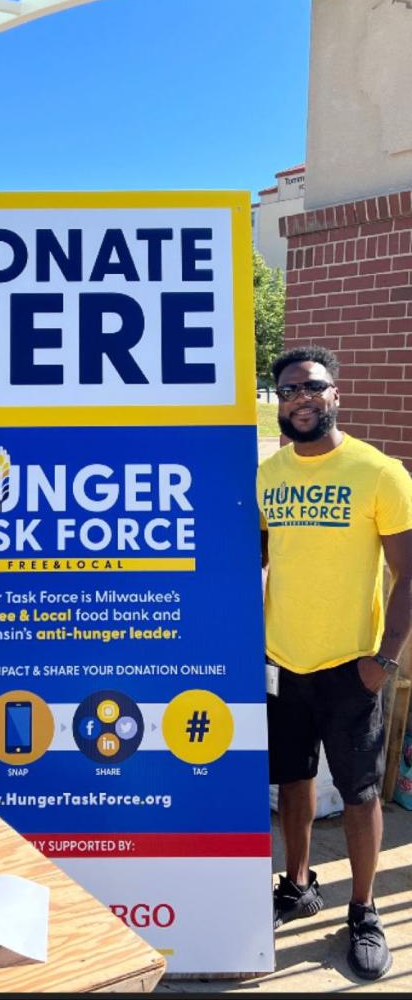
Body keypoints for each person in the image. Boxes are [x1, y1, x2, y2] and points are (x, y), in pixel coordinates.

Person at [258, 345, 412, 981]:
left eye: (313, 387)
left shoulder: (379, 472)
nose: (302, 398)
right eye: (290, 389)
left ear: (335, 393)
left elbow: (409, 572)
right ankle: (297, 884)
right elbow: (256, 557)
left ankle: (364, 908)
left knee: (360, 793)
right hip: (282, 661)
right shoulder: (268, 476)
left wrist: (385, 660)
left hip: (354, 667)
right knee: (292, 783)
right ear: (279, 401)